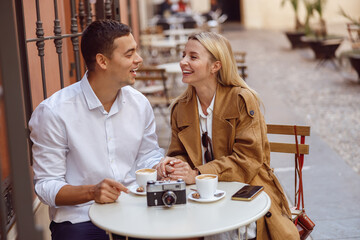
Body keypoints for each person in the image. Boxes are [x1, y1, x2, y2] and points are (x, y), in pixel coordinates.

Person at [29, 20, 174, 240]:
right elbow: (46, 186)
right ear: (102, 61)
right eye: (129, 54)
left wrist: (161, 166)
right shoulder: (53, 112)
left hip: (135, 210)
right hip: (80, 219)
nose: (139, 59)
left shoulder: (140, 103)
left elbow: (147, 155)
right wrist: (91, 192)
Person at [159, 32, 300, 239]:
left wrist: (197, 173)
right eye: (183, 55)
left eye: (193, 57)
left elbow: (248, 160)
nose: (183, 62)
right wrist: (175, 165)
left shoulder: (242, 100)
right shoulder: (180, 108)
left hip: (246, 190)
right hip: (200, 195)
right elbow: (179, 152)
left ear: (215, 66)